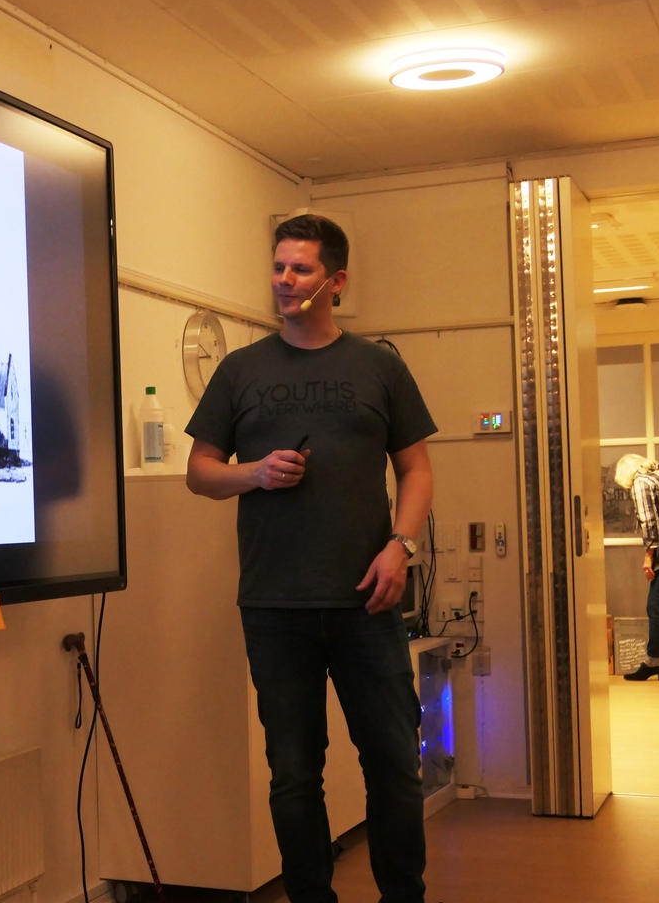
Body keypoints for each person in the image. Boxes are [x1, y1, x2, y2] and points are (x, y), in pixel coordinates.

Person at [185, 214, 436, 903]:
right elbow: (200, 472)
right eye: (278, 267)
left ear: (336, 281)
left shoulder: (379, 366)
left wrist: (401, 547)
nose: (284, 281)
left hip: (369, 602)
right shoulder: (241, 371)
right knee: (294, 775)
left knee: (393, 768)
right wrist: (255, 473)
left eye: (298, 269)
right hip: (274, 608)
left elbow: (416, 470)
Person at [614, 453, 659, 681]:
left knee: (656, 606)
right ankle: (654, 661)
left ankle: (653, 661)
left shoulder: (641, 483)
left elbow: (650, 523)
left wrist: (648, 558)